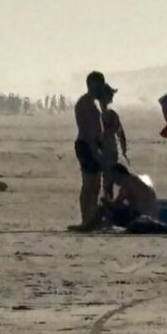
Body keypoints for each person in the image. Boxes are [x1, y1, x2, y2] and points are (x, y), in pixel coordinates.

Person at [69, 72, 107, 231]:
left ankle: (91, 218)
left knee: (96, 184)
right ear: (92, 84)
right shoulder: (84, 103)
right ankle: (86, 219)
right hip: (86, 145)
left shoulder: (94, 102)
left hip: (94, 144)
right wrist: (94, 149)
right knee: (89, 183)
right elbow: (87, 129)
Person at [97, 163, 160, 229]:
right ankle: (97, 226)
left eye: (114, 177)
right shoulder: (136, 180)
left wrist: (105, 199)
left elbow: (117, 203)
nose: (114, 181)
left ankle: (89, 228)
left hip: (141, 217)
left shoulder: (126, 183)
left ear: (118, 174)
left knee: (103, 209)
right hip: (152, 216)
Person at [97, 85, 128, 196]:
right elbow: (121, 134)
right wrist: (124, 150)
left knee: (106, 181)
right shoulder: (111, 115)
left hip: (104, 151)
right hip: (109, 150)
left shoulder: (98, 115)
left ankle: (107, 203)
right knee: (107, 181)